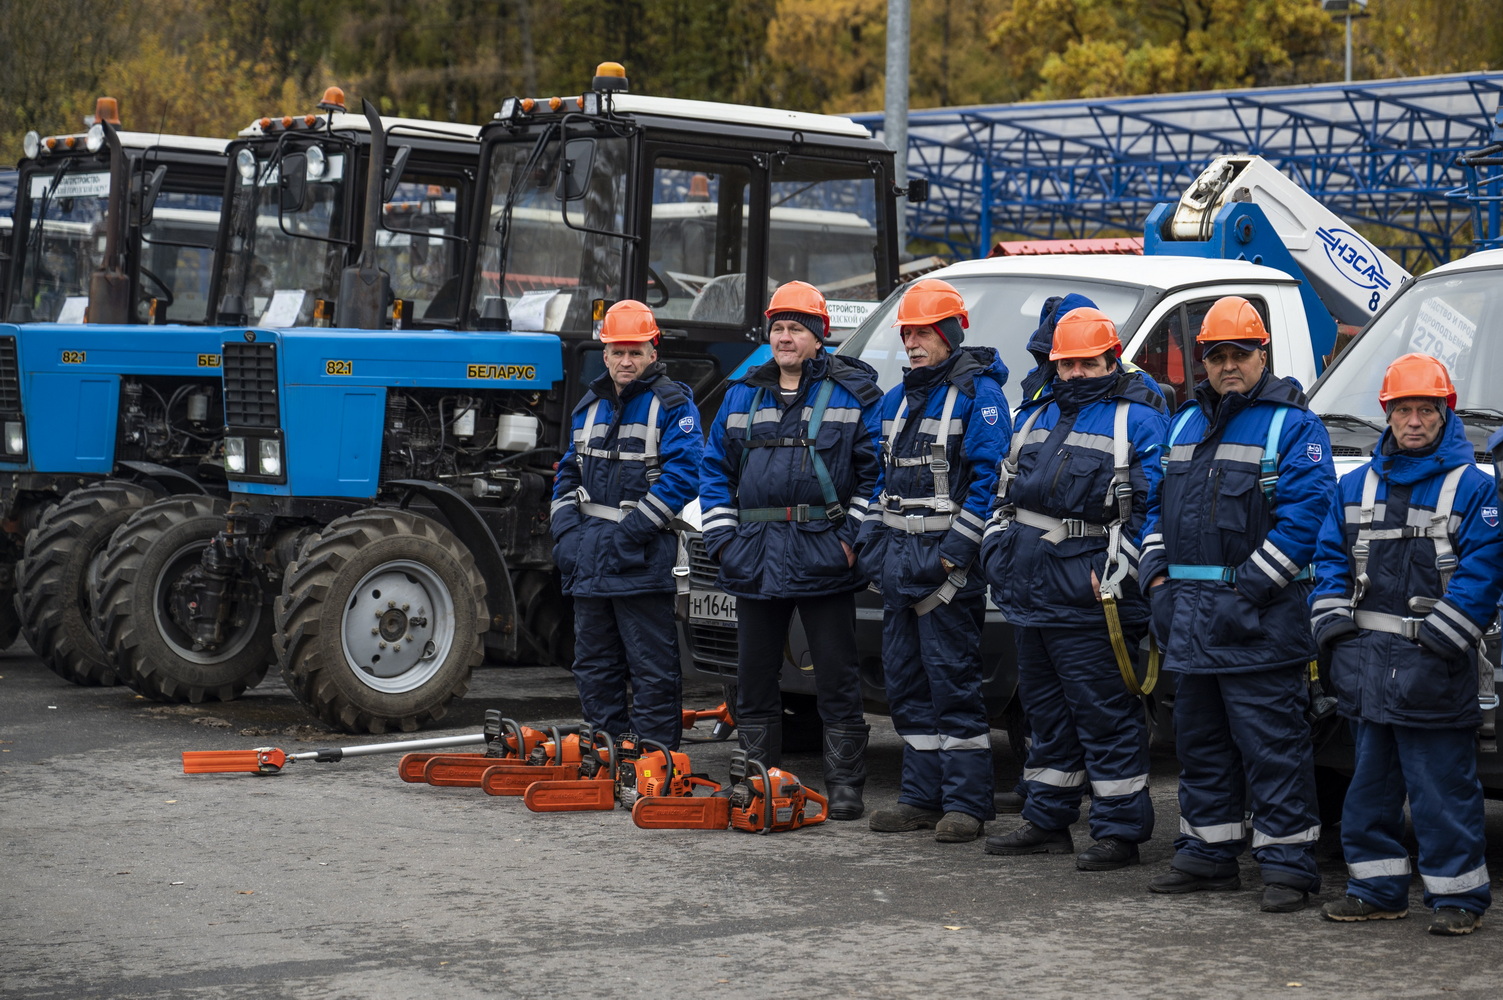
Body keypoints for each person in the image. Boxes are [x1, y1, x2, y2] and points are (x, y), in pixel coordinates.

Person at [1136, 295, 1335, 913]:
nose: (1227, 366)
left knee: (1273, 748)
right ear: (1203, 361)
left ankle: (1288, 866)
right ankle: (1207, 854)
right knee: (1201, 746)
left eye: (1239, 354)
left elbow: (1307, 520)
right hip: (1191, 621)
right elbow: (1155, 513)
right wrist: (1157, 585)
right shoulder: (1182, 424)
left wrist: (1247, 592)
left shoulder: (1293, 427)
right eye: (1216, 355)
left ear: (1261, 355)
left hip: (1258, 623)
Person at [1312, 353, 1502, 936]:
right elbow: (1328, 564)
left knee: (1443, 792)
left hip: (1436, 670)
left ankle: (1458, 901)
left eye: (1425, 409)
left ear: (1445, 414)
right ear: (1387, 414)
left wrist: (1439, 646)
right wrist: (1336, 642)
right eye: (1402, 410)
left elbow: (1484, 573)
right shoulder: (1351, 487)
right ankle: (1375, 890)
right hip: (1368, 669)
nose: (1413, 421)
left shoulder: (1474, 490)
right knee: (1368, 790)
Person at [979, 306, 1167, 869]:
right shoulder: (1034, 414)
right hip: (1030, 589)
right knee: (1044, 714)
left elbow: (1155, 510)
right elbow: (1002, 492)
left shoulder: (1137, 420)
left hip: (1094, 599)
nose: (1077, 373)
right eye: (1068, 364)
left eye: (1088, 362)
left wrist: (1117, 572)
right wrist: (995, 547)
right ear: (1054, 365)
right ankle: (1046, 819)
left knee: (1105, 714)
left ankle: (1120, 832)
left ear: (1112, 358)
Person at [700, 280, 884, 820]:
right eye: (779, 328)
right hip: (754, 554)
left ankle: (845, 784)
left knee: (836, 675)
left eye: (796, 329)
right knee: (754, 678)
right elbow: (716, 471)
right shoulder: (741, 393)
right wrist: (723, 541)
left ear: (818, 337)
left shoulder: (853, 396)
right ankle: (759, 781)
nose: (785, 337)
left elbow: (874, 478)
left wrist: (850, 541)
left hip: (824, 555)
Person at [857, 278, 1011, 843]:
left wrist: (953, 557)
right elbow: (880, 482)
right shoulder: (896, 402)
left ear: (949, 334)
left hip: (944, 574)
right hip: (898, 569)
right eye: (907, 333)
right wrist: (871, 544)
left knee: (953, 685)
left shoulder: (980, 398)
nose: (913, 343)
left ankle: (967, 805)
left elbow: (988, 484)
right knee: (906, 686)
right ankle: (921, 798)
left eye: (923, 332)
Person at [550, 300, 702, 749]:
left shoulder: (674, 405)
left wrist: (628, 535)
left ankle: (656, 763)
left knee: (651, 668)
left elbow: (683, 478)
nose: (626, 361)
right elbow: (567, 473)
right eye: (618, 351)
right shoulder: (589, 405)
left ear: (653, 351)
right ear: (605, 354)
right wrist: (566, 538)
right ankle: (607, 753)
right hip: (590, 558)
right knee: (594, 665)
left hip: (640, 559)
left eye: (635, 351)